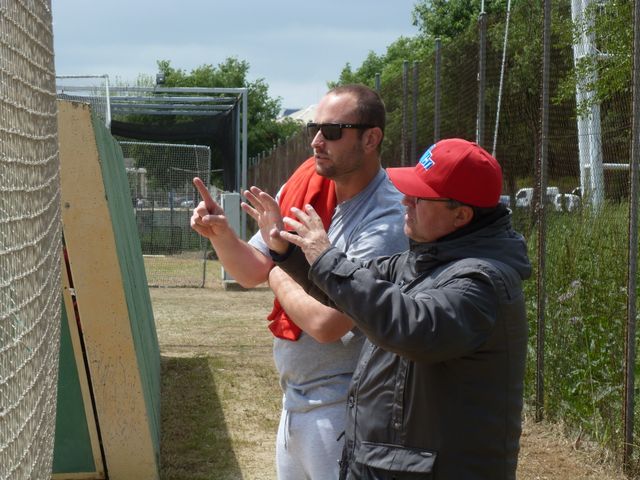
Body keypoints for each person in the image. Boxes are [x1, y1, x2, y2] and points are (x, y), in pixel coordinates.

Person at [247, 137, 532, 479]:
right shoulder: (422, 260)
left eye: (420, 197)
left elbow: (411, 328)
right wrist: (287, 250)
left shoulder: (479, 282)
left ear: (461, 215)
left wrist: (327, 259)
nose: (405, 200)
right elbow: (345, 287)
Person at [190, 84, 408, 479]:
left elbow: (327, 323)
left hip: (346, 405)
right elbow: (250, 270)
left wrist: (278, 265)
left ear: (371, 139)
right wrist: (222, 235)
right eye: (314, 128)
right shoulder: (309, 186)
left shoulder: (385, 220)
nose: (317, 141)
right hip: (296, 400)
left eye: (333, 131)